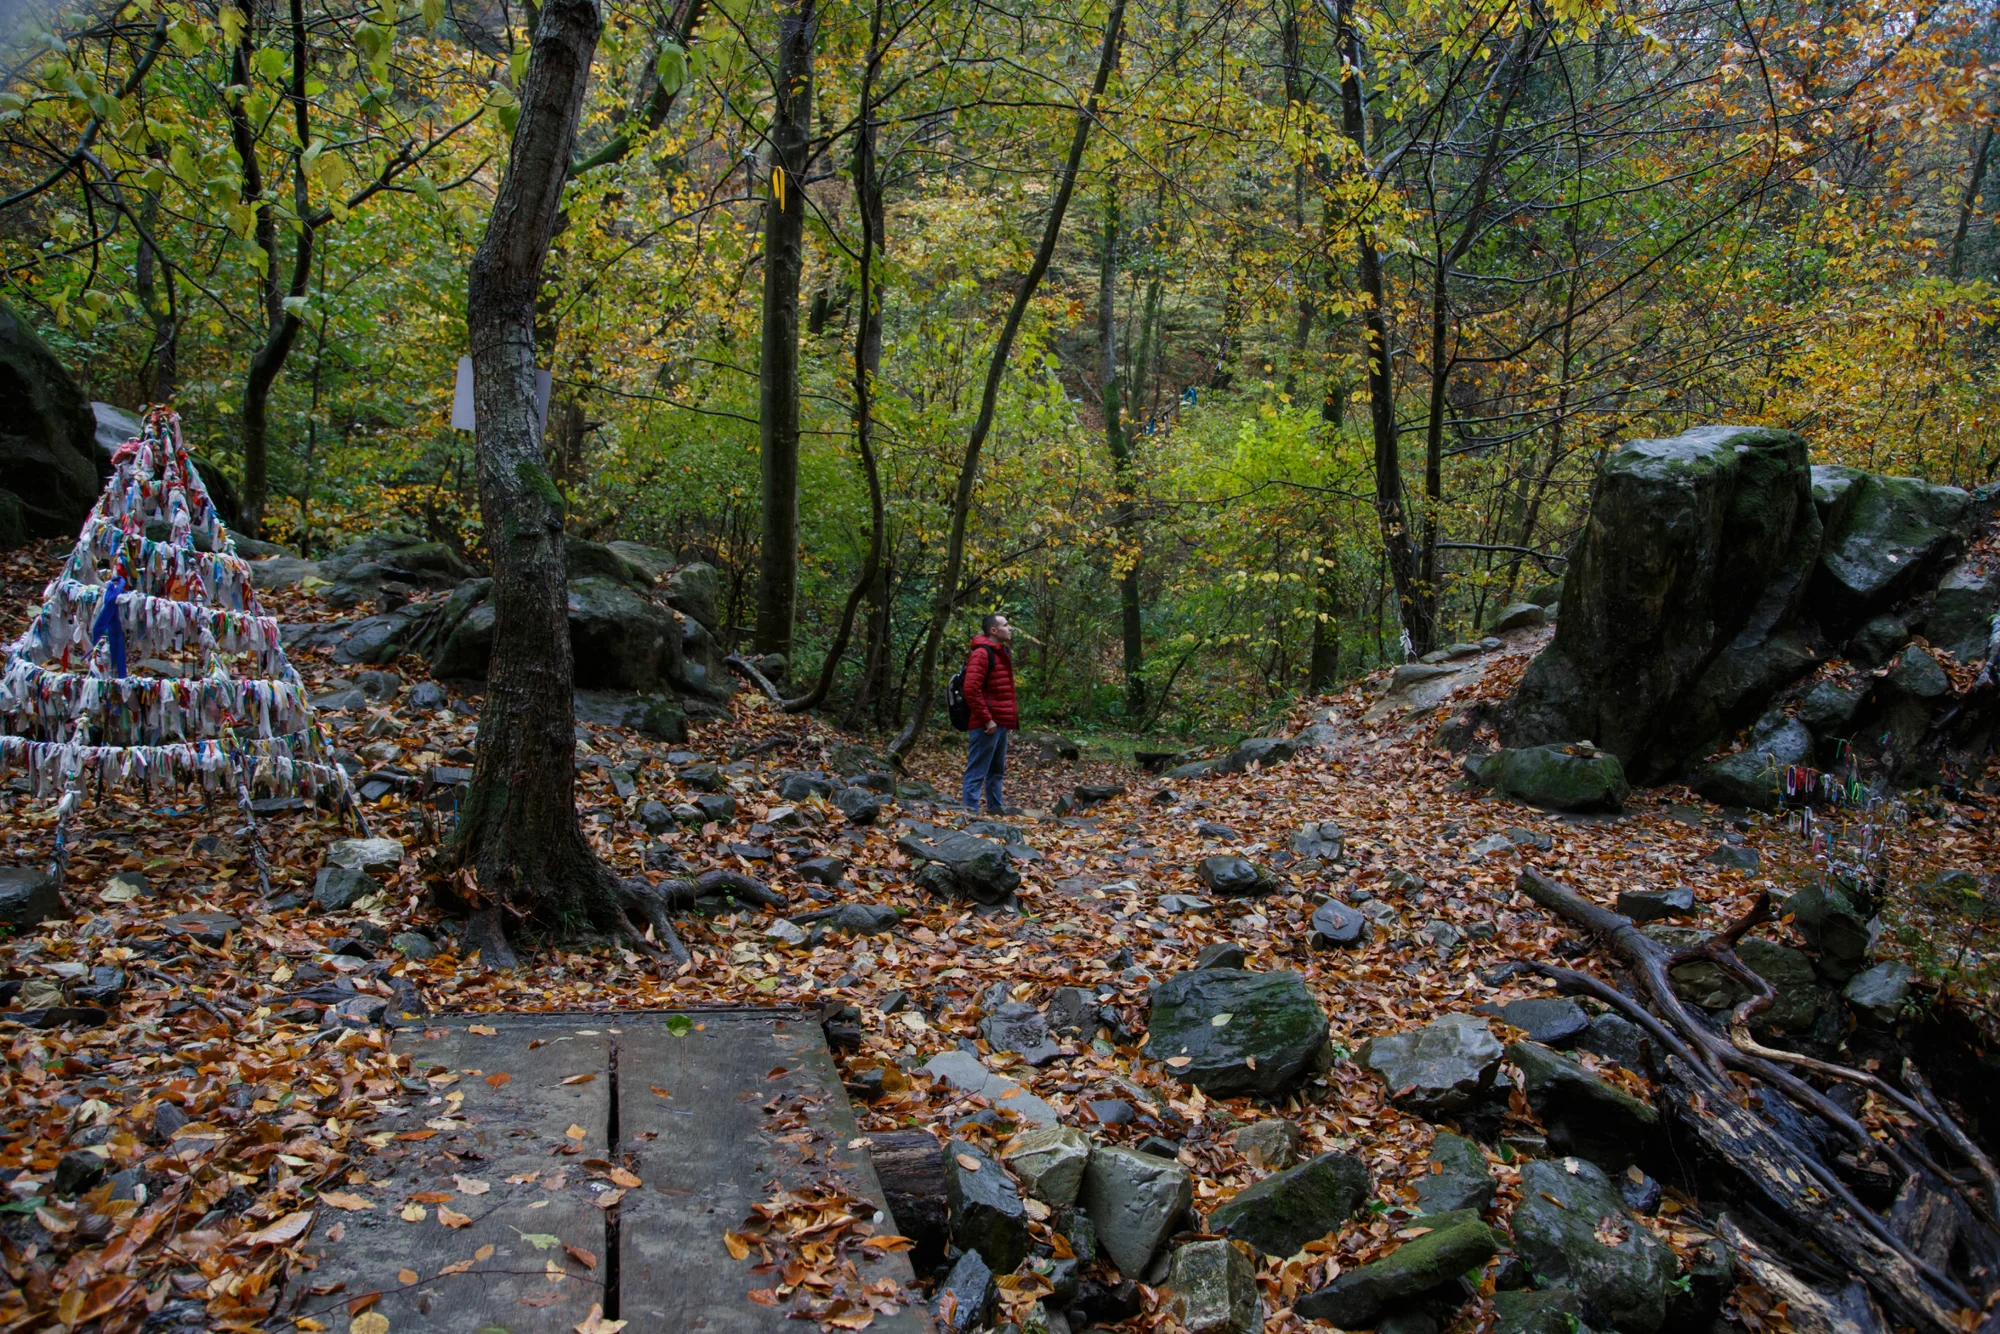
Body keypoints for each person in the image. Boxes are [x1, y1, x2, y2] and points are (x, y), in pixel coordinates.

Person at [961, 612, 1018, 814]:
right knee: (977, 771)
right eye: (1006, 624)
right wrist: (987, 719)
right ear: (994, 630)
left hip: (1000, 722)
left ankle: (996, 811)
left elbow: (1003, 691)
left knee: (996, 772)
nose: (1010, 628)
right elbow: (970, 689)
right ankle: (970, 814)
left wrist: (1006, 722)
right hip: (986, 724)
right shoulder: (982, 653)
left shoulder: (1003, 651)